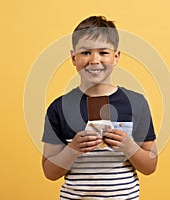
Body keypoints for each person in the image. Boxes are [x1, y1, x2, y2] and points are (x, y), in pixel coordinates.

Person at [42, 16, 158, 200]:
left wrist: (129, 147)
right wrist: (72, 149)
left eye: (103, 52)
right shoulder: (59, 108)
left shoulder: (136, 103)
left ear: (116, 56)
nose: (94, 60)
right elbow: (50, 172)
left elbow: (150, 166)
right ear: (74, 57)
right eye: (86, 52)